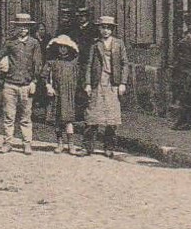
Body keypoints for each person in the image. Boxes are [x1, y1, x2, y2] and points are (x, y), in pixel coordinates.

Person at [84, 15, 129, 158]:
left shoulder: (118, 44)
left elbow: (124, 64)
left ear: (112, 30)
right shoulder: (95, 44)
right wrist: (88, 83)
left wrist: (122, 83)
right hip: (98, 82)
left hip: (113, 83)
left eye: (108, 28)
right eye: (103, 28)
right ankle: (88, 147)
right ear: (99, 29)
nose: (106, 31)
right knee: (93, 116)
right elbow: (89, 65)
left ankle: (109, 147)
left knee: (112, 118)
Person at [0, 13, 43, 155]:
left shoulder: (34, 43)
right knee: (9, 116)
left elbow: (38, 64)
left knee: (25, 117)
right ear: (16, 27)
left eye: (26, 27)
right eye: (20, 27)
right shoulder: (9, 42)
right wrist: (2, 64)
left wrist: (34, 82)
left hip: (26, 84)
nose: (23, 29)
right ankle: (8, 142)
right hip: (10, 84)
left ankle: (27, 143)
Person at [44, 35, 83, 155]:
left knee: (68, 119)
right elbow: (44, 76)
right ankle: (60, 143)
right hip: (56, 93)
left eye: (65, 47)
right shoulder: (52, 62)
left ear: (69, 48)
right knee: (57, 120)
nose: (62, 50)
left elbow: (78, 79)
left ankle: (71, 144)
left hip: (69, 94)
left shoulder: (73, 63)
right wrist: (48, 86)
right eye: (60, 47)